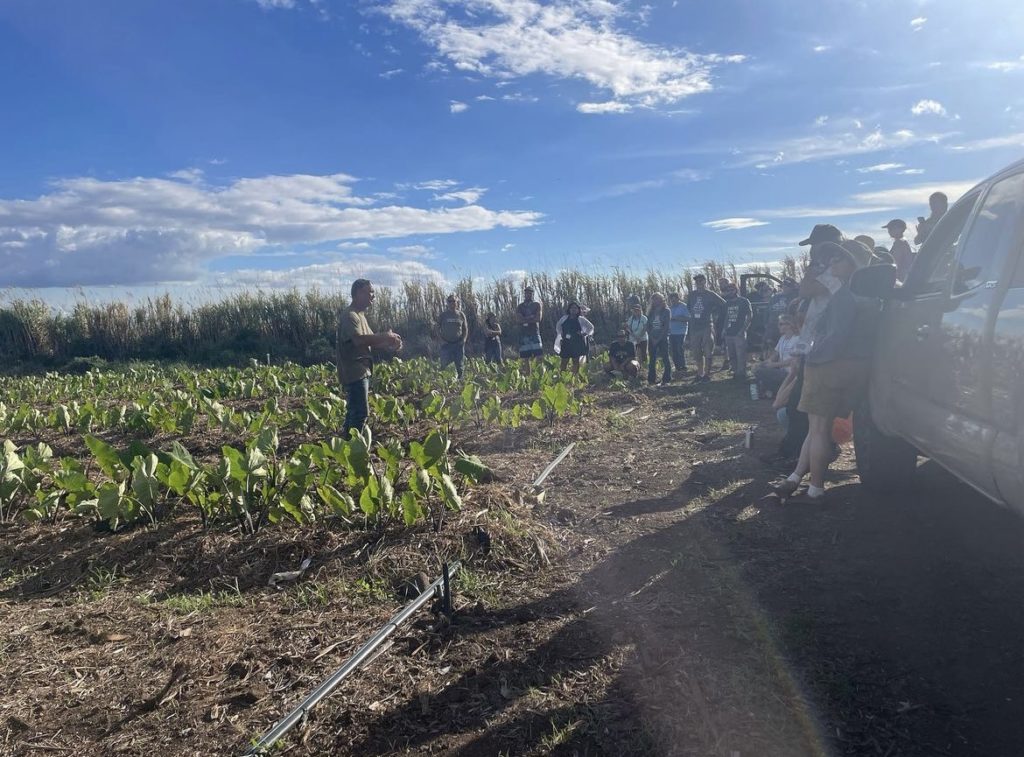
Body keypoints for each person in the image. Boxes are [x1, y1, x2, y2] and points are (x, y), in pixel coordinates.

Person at [770, 245, 871, 503]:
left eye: (838, 260)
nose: (831, 264)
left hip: (826, 365)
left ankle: (816, 488)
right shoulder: (862, 294)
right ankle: (795, 476)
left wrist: (811, 356)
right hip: (853, 367)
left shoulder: (839, 293)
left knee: (818, 430)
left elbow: (833, 334)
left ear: (850, 265)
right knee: (817, 429)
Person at [337, 278, 403, 437]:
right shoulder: (350, 315)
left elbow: (370, 341)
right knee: (360, 413)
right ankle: (353, 450)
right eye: (370, 292)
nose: (373, 296)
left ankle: (345, 448)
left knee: (353, 412)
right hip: (354, 370)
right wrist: (385, 336)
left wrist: (389, 343)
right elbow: (359, 340)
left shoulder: (360, 316)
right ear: (358, 293)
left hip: (362, 369)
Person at [686, 274, 725, 384]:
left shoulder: (710, 294)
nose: (698, 282)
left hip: (707, 325)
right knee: (696, 351)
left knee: (708, 350)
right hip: (694, 326)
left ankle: (707, 374)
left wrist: (715, 315)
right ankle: (700, 373)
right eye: (696, 281)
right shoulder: (692, 295)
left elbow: (723, 304)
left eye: (700, 280)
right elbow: (689, 307)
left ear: (704, 281)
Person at [755, 314, 799, 398]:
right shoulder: (782, 338)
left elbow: (793, 360)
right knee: (759, 368)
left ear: (789, 325)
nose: (778, 326)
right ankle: (773, 391)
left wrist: (774, 365)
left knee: (760, 372)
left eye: (781, 324)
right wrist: (764, 363)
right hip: (781, 370)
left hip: (790, 373)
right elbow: (775, 355)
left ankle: (776, 392)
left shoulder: (797, 339)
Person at [721, 283, 752, 380]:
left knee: (740, 354)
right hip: (729, 332)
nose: (730, 291)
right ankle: (735, 372)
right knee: (732, 354)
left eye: (732, 289)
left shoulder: (743, 301)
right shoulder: (727, 303)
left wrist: (743, 329)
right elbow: (726, 317)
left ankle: (742, 373)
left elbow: (750, 316)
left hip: (739, 332)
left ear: (736, 290)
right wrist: (724, 329)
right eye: (729, 290)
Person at [554, 301, 594, 375]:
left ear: (578, 310)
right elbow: (558, 326)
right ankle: (562, 376)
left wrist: (584, 334)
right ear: (569, 309)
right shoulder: (564, 318)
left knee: (575, 360)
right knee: (564, 360)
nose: (573, 310)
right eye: (572, 308)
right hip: (566, 342)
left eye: (575, 308)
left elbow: (591, 327)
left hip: (577, 342)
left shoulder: (581, 319)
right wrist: (560, 334)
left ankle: (574, 377)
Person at [763, 278, 798, 356]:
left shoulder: (795, 297)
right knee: (771, 347)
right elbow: (767, 311)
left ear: (792, 287)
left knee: (786, 349)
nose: (785, 288)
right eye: (784, 286)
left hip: (787, 327)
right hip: (772, 328)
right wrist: (766, 324)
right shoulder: (775, 297)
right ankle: (771, 364)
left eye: (787, 286)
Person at [437, 294, 468, 379]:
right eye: (450, 301)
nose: (452, 303)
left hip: (458, 344)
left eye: (454, 301)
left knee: (459, 365)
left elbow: (465, 329)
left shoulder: (461, 315)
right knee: (444, 365)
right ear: (447, 303)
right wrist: (441, 340)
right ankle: (445, 385)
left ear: (457, 302)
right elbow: (437, 329)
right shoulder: (443, 315)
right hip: (446, 344)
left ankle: (460, 382)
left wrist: (464, 339)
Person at [646, 292, 672, 385]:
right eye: (654, 299)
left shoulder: (666, 311)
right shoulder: (651, 312)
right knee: (652, 359)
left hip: (663, 338)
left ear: (661, 299)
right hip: (652, 338)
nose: (655, 301)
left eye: (657, 298)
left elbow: (666, 327)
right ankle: (651, 379)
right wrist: (652, 337)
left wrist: (659, 338)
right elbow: (648, 326)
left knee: (665, 358)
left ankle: (666, 379)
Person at [516, 285, 544, 367]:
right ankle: (528, 376)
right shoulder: (520, 306)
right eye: (526, 293)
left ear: (533, 294)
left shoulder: (537, 305)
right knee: (525, 358)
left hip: (534, 332)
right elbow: (518, 319)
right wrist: (531, 317)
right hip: (523, 334)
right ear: (524, 294)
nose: (528, 295)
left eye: (530, 293)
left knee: (539, 356)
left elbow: (538, 318)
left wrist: (525, 318)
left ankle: (540, 375)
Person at [667, 291, 690, 375]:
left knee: (679, 348)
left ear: (678, 298)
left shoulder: (683, 306)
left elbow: (688, 318)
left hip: (681, 331)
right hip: (671, 332)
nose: (673, 301)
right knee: (672, 350)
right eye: (671, 300)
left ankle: (683, 366)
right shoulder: (669, 308)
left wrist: (676, 318)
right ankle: (677, 366)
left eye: (674, 299)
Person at [626, 295, 649, 368]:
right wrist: (634, 336)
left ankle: (644, 368)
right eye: (634, 310)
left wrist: (639, 337)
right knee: (634, 354)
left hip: (643, 338)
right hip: (633, 339)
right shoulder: (631, 318)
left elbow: (645, 328)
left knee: (643, 353)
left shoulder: (644, 318)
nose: (636, 311)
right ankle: (635, 367)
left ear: (640, 310)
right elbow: (628, 328)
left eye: (637, 310)